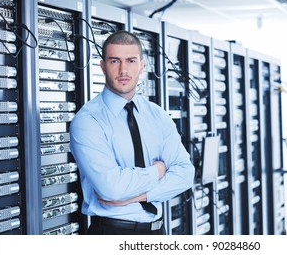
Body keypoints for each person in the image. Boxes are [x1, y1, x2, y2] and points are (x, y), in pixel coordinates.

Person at [69, 30, 194, 235]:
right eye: (114, 61)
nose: (123, 70)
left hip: (157, 232)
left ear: (142, 66)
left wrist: (137, 197)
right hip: (111, 233)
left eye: (131, 61)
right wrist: (158, 172)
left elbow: (185, 174)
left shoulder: (157, 115)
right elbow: (112, 188)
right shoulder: (88, 121)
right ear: (102, 66)